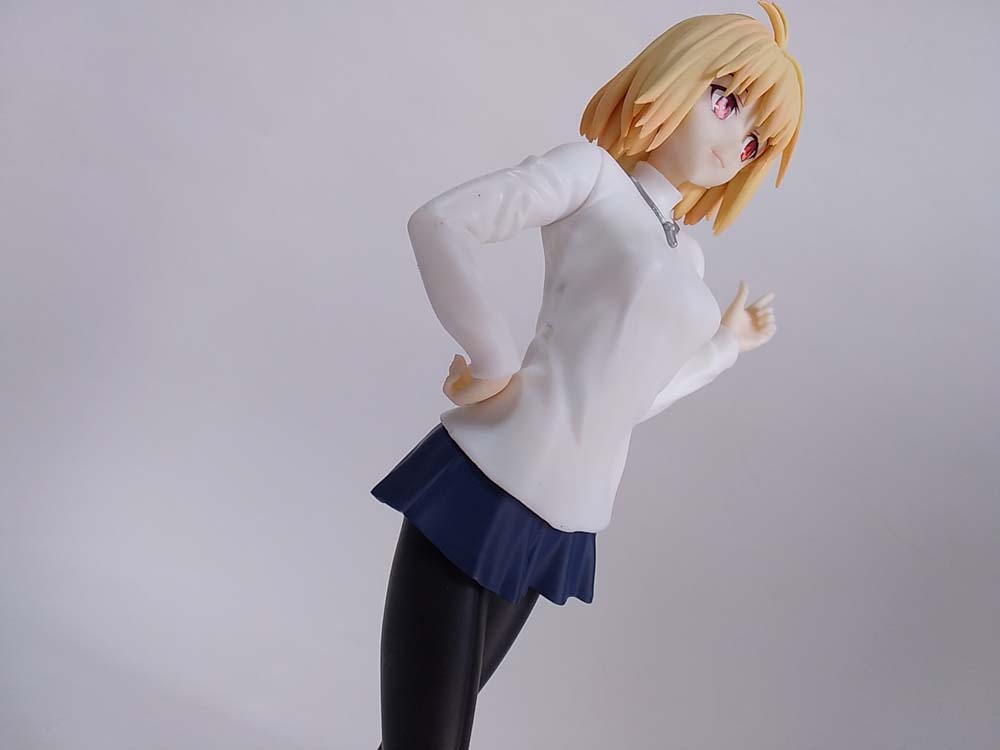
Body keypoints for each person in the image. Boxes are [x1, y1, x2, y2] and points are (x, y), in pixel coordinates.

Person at [372, 3, 805, 747]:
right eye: (726, 101)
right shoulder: (592, 175)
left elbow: (634, 396)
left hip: (563, 516)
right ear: (674, 76)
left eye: (755, 140)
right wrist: (493, 357)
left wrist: (724, 346)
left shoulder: (690, 258)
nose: (735, 142)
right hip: (485, 481)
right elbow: (440, 222)